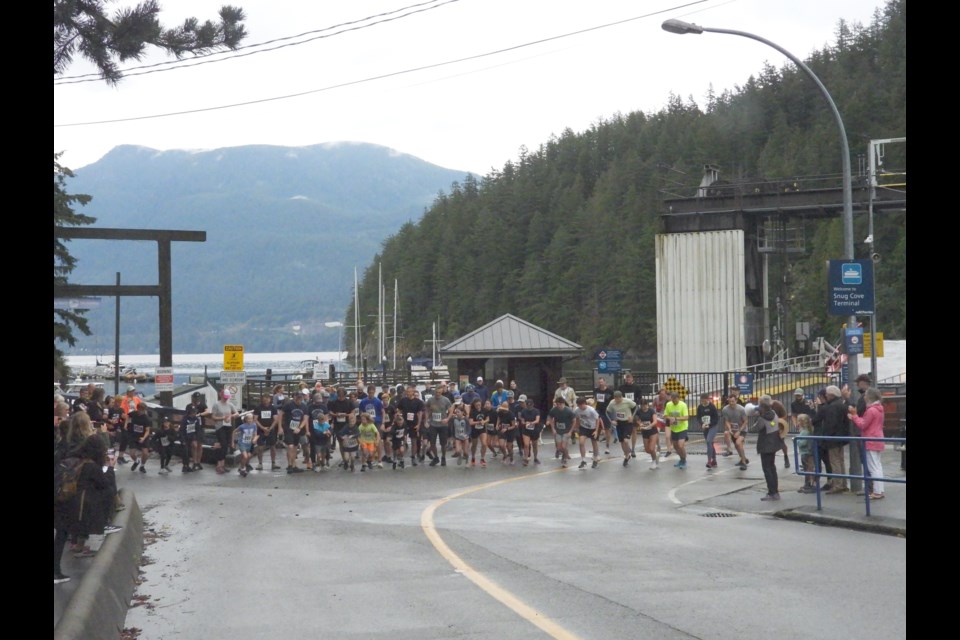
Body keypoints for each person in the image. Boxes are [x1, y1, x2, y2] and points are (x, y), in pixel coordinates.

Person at [848, 387, 886, 499]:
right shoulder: (880, 408)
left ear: (869, 397)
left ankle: (877, 492)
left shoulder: (870, 410)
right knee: (877, 466)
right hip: (878, 438)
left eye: (865, 395)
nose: (864, 397)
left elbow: (863, 425)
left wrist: (854, 416)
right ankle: (880, 490)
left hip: (870, 439)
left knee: (873, 467)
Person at [820, 385, 850, 494]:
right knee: (840, 461)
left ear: (831, 395)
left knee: (835, 462)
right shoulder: (840, 404)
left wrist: (827, 436)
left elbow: (831, 424)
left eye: (827, 394)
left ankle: (837, 485)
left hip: (833, 438)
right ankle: (843, 484)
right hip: (841, 437)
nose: (826, 396)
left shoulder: (832, 406)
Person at [754, 395, 782, 501]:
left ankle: (772, 492)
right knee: (772, 467)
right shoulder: (774, 413)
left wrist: (759, 416)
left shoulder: (762, 418)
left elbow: (757, 428)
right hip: (774, 443)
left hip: (765, 445)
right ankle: (775, 491)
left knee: (767, 469)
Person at [605, 390, 637, 467]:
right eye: (615, 399)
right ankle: (626, 456)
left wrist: (632, 416)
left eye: (618, 399)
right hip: (619, 423)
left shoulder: (627, 401)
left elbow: (636, 407)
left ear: (621, 397)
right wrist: (611, 421)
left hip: (627, 422)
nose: (617, 401)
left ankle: (629, 451)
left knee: (626, 440)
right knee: (622, 442)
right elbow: (607, 412)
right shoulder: (612, 403)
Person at [211, 389, 239, 474]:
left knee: (226, 445)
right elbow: (213, 417)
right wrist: (222, 418)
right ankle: (219, 464)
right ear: (221, 396)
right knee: (222, 444)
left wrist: (231, 416)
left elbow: (237, 413)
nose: (226, 399)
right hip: (220, 426)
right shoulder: (216, 404)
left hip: (228, 426)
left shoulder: (230, 404)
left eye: (227, 397)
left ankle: (223, 465)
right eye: (224, 397)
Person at [425, 387, 453, 467]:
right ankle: (436, 458)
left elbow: (451, 411)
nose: (437, 394)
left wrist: (447, 419)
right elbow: (427, 409)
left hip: (443, 425)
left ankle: (443, 457)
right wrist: (426, 420)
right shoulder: (430, 400)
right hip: (433, 424)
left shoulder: (446, 400)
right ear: (434, 392)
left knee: (443, 444)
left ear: (441, 392)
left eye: (439, 393)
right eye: (436, 392)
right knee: (432, 443)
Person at [280, 391, 307, 473]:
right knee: (290, 446)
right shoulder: (288, 405)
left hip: (297, 429)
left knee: (295, 447)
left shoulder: (304, 406)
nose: (299, 399)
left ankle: (293, 465)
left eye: (300, 397)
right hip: (288, 428)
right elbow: (280, 414)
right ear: (294, 397)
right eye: (297, 397)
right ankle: (290, 465)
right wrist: (280, 427)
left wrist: (300, 428)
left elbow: (305, 418)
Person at [396, 386, 424, 466]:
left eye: (410, 392)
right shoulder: (403, 400)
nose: (408, 393)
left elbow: (420, 413)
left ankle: (413, 457)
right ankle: (401, 458)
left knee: (414, 441)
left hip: (414, 423)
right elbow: (399, 409)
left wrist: (418, 424)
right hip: (404, 424)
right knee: (403, 440)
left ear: (413, 392)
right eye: (407, 392)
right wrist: (398, 415)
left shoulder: (418, 402)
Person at [618, 373, 643, 458]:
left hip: (634, 411)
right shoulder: (621, 388)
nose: (628, 380)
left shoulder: (637, 387)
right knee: (625, 430)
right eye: (626, 379)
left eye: (629, 378)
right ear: (625, 379)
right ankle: (627, 448)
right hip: (624, 411)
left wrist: (637, 405)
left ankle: (633, 449)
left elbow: (639, 398)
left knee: (634, 430)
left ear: (632, 379)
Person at [254, 393, 281, 471]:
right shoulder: (258, 408)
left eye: (267, 398)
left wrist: (270, 428)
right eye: (264, 399)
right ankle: (260, 463)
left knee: (273, 446)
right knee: (260, 447)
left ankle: (273, 463)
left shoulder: (273, 408)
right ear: (262, 399)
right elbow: (255, 419)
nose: (266, 400)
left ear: (270, 399)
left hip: (271, 430)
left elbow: (276, 419)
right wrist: (263, 428)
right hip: (260, 430)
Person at [573, 396, 601, 469]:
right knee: (581, 442)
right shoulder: (577, 410)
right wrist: (576, 427)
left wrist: (596, 431)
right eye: (579, 405)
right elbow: (577, 418)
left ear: (585, 403)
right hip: (584, 427)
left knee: (594, 443)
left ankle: (595, 458)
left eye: (581, 405)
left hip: (593, 428)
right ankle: (583, 460)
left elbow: (598, 419)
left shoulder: (591, 410)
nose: (580, 407)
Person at [722, 394, 749, 470]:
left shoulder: (741, 409)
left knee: (738, 443)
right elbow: (727, 421)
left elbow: (746, 421)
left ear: (736, 401)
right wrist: (730, 428)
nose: (731, 403)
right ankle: (731, 451)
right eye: (730, 401)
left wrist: (739, 431)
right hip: (733, 429)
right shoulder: (725, 409)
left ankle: (744, 463)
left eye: (733, 401)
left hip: (742, 429)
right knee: (727, 434)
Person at [663, 391, 689, 469]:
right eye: (672, 400)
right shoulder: (668, 404)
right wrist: (669, 418)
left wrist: (676, 418)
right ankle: (681, 459)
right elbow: (665, 415)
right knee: (675, 446)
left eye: (675, 400)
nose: (674, 401)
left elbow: (686, 417)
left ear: (678, 398)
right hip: (674, 428)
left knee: (680, 445)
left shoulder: (683, 405)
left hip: (682, 428)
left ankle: (684, 460)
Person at [547, 397, 575, 467]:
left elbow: (574, 421)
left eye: (560, 404)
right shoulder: (554, 410)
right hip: (558, 431)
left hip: (566, 431)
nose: (558, 406)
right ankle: (566, 453)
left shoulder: (569, 411)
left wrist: (570, 431)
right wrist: (553, 428)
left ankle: (564, 459)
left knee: (564, 446)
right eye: (557, 404)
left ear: (563, 404)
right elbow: (550, 417)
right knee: (559, 448)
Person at [126, 402, 152, 474]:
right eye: (139, 410)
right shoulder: (134, 413)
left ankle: (142, 466)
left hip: (143, 436)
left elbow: (147, 430)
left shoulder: (146, 419)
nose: (140, 411)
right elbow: (128, 416)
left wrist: (143, 438)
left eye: (142, 410)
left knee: (145, 453)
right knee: (132, 453)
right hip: (134, 435)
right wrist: (126, 424)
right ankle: (136, 461)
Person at [696, 394, 720, 469]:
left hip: (712, 426)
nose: (703, 402)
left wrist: (709, 424)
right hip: (705, 427)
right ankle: (714, 460)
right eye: (702, 401)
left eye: (705, 401)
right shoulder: (700, 407)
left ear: (708, 399)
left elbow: (716, 418)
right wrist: (702, 424)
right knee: (710, 444)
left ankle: (709, 461)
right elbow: (698, 417)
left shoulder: (712, 407)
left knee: (709, 441)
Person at [634, 397, 659, 469]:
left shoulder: (651, 411)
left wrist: (649, 426)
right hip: (644, 432)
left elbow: (655, 421)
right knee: (647, 450)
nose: (643, 407)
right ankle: (655, 454)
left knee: (651, 448)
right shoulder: (638, 411)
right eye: (642, 405)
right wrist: (640, 424)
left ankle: (654, 461)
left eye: (645, 405)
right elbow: (637, 419)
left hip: (652, 431)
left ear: (647, 404)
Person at [186, 391, 208, 471]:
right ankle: (194, 461)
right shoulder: (189, 406)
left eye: (198, 398)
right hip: (192, 427)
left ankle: (198, 462)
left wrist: (200, 414)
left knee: (199, 445)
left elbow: (207, 411)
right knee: (194, 445)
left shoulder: (202, 405)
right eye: (195, 398)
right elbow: (186, 415)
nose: (196, 399)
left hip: (200, 427)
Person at [592, 377, 615, 454]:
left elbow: (613, 401)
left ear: (605, 382)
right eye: (599, 382)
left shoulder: (610, 391)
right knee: (597, 428)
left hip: (607, 411)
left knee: (607, 429)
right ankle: (595, 446)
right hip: (598, 411)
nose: (600, 384)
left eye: (602, 382)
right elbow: (594, 400)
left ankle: (607, 446)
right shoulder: (596, 391)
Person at [795, 414, 817, 493]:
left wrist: (796, 440)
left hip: (805, 452)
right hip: (808, 452)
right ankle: (809, 484)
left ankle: (808, 484)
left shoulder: (805, 432)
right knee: (809, 468)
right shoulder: (809, 430)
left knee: (807, 469)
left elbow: (802, 443)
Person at [233, 413, 258, 477]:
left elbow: (255, 433)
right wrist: (233, 441)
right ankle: (243, 469)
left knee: (248, 456)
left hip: (249, 443)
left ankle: (241, 467)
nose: (250, 420)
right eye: (248, 419)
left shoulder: (254, 425)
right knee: (245, 456)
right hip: (242, 443)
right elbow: (234, 432)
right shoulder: (242, 426)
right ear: (246, 419)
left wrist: (254, 439)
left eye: (251, 419)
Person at [179, 404, 201, 473]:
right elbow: (181, 430)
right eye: (192, 412)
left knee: (194, 446)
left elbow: (197, 429)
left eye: (194, 411)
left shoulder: (196, 419)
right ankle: (185, 465)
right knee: (185, 451)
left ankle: (195, 463)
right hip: (185, 437)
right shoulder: (184, 420)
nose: (194, 413)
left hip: (192, 436)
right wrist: (182, 440)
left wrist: (196, 438)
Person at [652, 387, 673, 457]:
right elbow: (652, 407)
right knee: (656, 431)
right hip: (659, 418)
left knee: (669, 435)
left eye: (664, 394)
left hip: (666, 418)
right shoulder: (656, 399)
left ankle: (670, 448)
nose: (662, 395)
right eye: (661, 394)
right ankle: (658, 445)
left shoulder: (668, 400)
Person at [494, 400, 516, 465]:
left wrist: (507, 429)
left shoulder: (511, 414)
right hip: (502, 429)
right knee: (501, 445)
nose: (503, 410)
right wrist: (497, 424)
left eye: (505, 409)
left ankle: (511, 458)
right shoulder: (500, 412)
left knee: (509, 447)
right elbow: (499, 418)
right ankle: (505, 455)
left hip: (510, 431)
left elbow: (513, 426)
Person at [467, 397, 487, 467]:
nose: (478, 406)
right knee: (474, 445)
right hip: (474, 430)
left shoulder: (484, 410)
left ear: (481, 404)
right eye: (476, 405)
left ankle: (482, 458)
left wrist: (484, 421)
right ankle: (473, 457)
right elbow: (470, 422)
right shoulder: (472, 411)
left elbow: (488, 418)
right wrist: (478, 422)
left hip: (482, 429)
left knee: (484, 444)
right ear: (474, 405)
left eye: (479, 405)